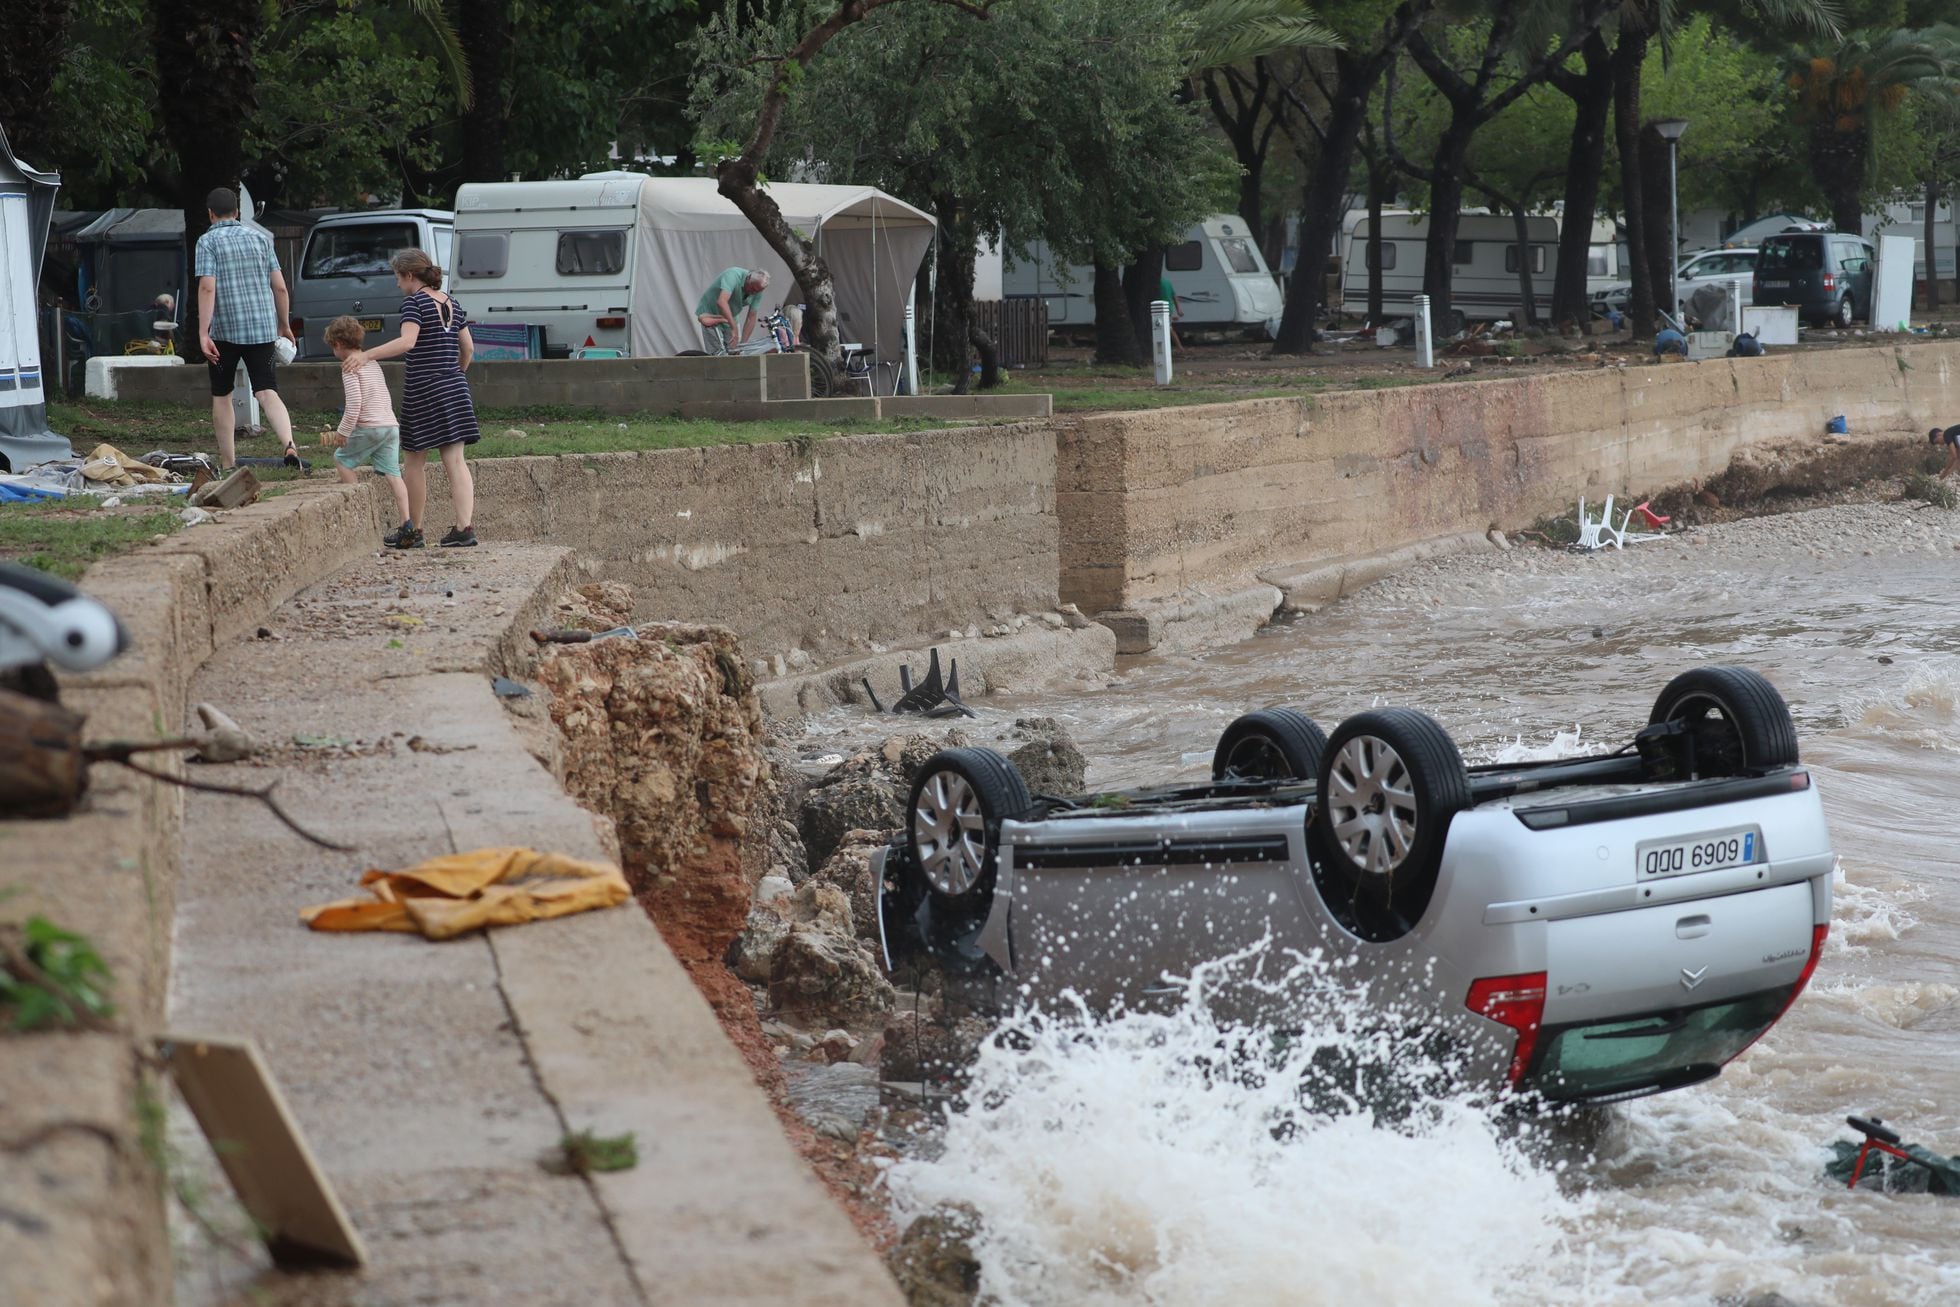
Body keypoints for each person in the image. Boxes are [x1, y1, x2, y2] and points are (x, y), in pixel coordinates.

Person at [339, 249, 479, 548]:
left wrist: (366, 356)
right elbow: (468, 349)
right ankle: (464, 528)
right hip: (455, 386)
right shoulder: (452, 303)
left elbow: (407, 342)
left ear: (410, 276)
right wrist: (455, 375)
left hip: (424, 389)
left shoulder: (414, 303)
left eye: (398, 278)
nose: (397, 285)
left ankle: (413, 531)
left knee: (414, 461)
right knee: (455, 460)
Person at [194, 187, 299, 469]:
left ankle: (228, 463)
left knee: (222, 393)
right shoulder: (261, 239)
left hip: (224, 333)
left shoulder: (207, 242)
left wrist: (203, 333)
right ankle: (289, 444)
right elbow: (279, 287)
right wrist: (284, 325)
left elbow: (207, 287)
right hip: (262, 330)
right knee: (267, 390)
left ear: (210, 213)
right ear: (238, 212)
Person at [320, 316, 411, 539]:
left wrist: (343, 432)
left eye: (332, 347)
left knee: (342, 460)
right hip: (390, 426)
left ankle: (357, 516)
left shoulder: (349, 366)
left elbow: (354, 406)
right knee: (394, 474)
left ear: (338, 345)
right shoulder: (372, 362)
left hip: (370, 427)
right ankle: (407, 524)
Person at [695, 268, 769, 354]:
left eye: (757, 291)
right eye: (752, 289)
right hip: (711, 312)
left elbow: (751, 317)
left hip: (730, 316)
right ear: (748, 278)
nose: (754, 293)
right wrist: (734, 328)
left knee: (735, 351)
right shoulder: (733, 275)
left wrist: (743, 344)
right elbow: (722, 301)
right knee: (717, 352)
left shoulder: (758, 289)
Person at [1159, 275, 1185, 353]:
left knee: (1168, 328)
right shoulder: (1167, 282)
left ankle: (1180, 347)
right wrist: (1179, 309)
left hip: (1160, 308)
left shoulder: (1155, 283)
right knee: (1167, 327)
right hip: (1168, 307)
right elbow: (1174, 295)